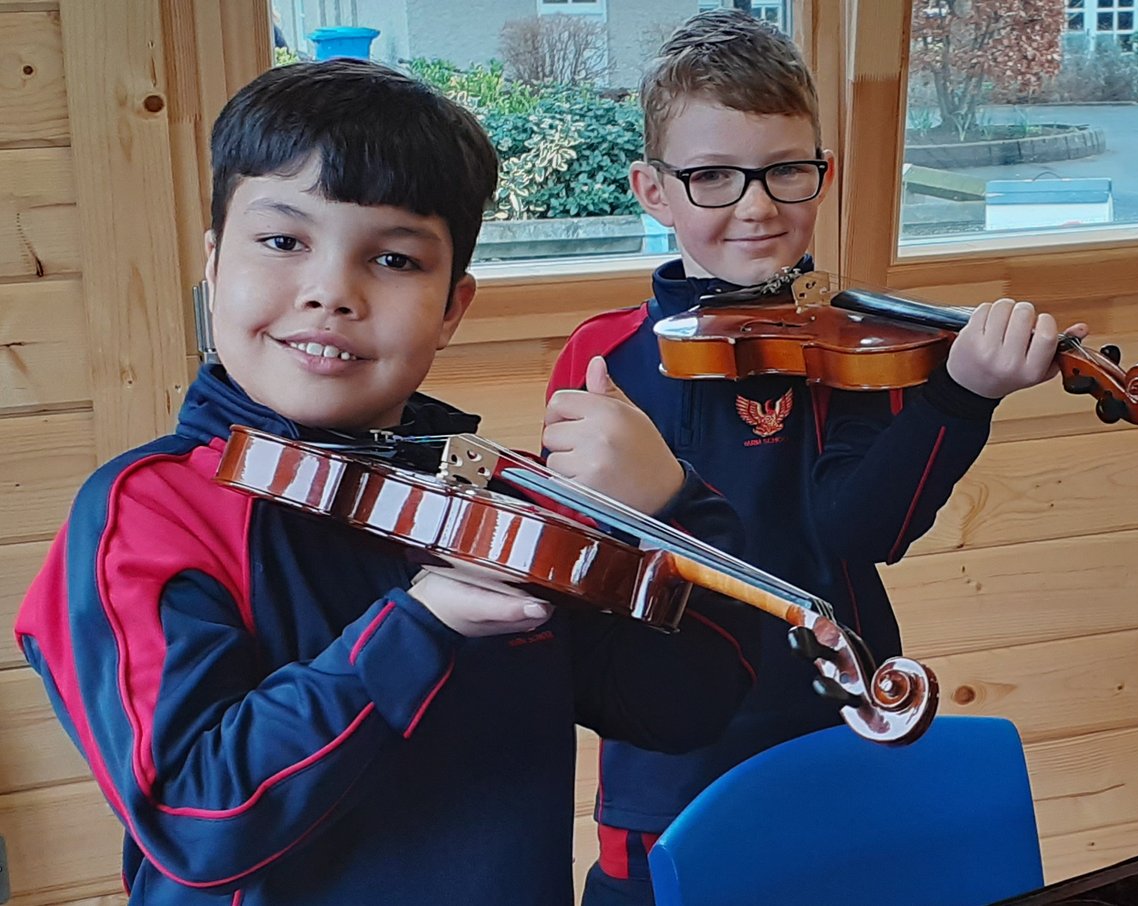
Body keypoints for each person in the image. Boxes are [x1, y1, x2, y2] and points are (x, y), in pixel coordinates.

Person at [14, 59, 757, 906]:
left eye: (396, 259)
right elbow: (198, 812)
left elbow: (682, 707)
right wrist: (418, 627)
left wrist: (673, 510)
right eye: (284, 241)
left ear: (452, 309)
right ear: (216, 264)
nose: (332, 291)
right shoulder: (147, 513)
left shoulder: (490, 514)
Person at [545, 11, 1088, 905]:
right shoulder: (607, 356)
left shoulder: (857, 345)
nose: (755, 204)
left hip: (837, 708)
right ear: (653, 190)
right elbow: (577, 566)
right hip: (671, 743)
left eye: (785, 172)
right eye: (712, 176)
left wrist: (960, 394)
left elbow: (865, 525)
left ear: (822, 176)